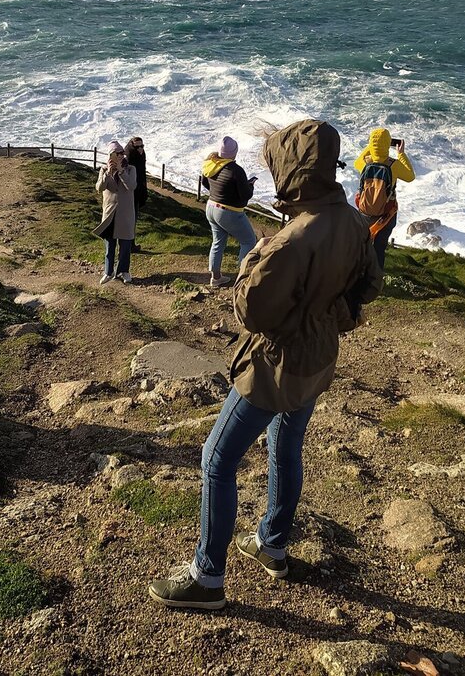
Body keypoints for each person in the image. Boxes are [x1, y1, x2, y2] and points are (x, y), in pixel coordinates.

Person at [149, 119, 382, 610]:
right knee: (285, 446)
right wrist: (329, 313)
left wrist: (253, 260)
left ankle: (207, 578)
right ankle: (271, 544)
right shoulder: (352, 220)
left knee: (217, 459)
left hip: (274, 367)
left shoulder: (292, 240)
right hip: (318, 359)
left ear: (294, 171)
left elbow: (251, 312)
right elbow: (367, 286)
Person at [353, 128, 416, 269]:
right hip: (386, 215)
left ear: (371, 143)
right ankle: (375, 276)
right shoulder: (394, 165)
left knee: (363, 245)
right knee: (379, 248)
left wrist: (372, 146)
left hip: (364, 213)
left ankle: (359, 272)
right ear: (388, 144)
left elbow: (356, 163)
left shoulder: (364, 162)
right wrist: (401, 154)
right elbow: (410, 176)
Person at [201, 135, 257, 288]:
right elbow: (246, 195)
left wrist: (220, 193)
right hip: (228, 212)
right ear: (234, 152)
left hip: (211, 207)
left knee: (217, 242)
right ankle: (242, 279)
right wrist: (250, 185)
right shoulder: (236, 170)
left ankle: (216, 278)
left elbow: (205, 182)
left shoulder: (211, 163)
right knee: (248, 241)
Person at [94, 141, 137, 285]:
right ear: (110, 155)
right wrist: (108, 173)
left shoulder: (130, 169)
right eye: (116, 154)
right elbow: (99, 188)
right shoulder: (104, 169)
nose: (120, 156)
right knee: (109, 245)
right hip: (110, 213)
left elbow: (131, 186)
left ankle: (123, 271)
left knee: (125, 245)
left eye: (121, 153)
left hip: (125, 213)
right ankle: (108, 272)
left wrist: (121, 171)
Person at [124, 136, 148, 253]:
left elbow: (142, 173)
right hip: (131, 192)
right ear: (132, 146)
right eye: (137, 147)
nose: (140, 148)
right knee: (130, 219)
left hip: (138, 191)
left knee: (133, 219)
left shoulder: (141, 154)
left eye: (142, 146)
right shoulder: (128, 157)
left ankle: (131, 244)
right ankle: (129, 246)